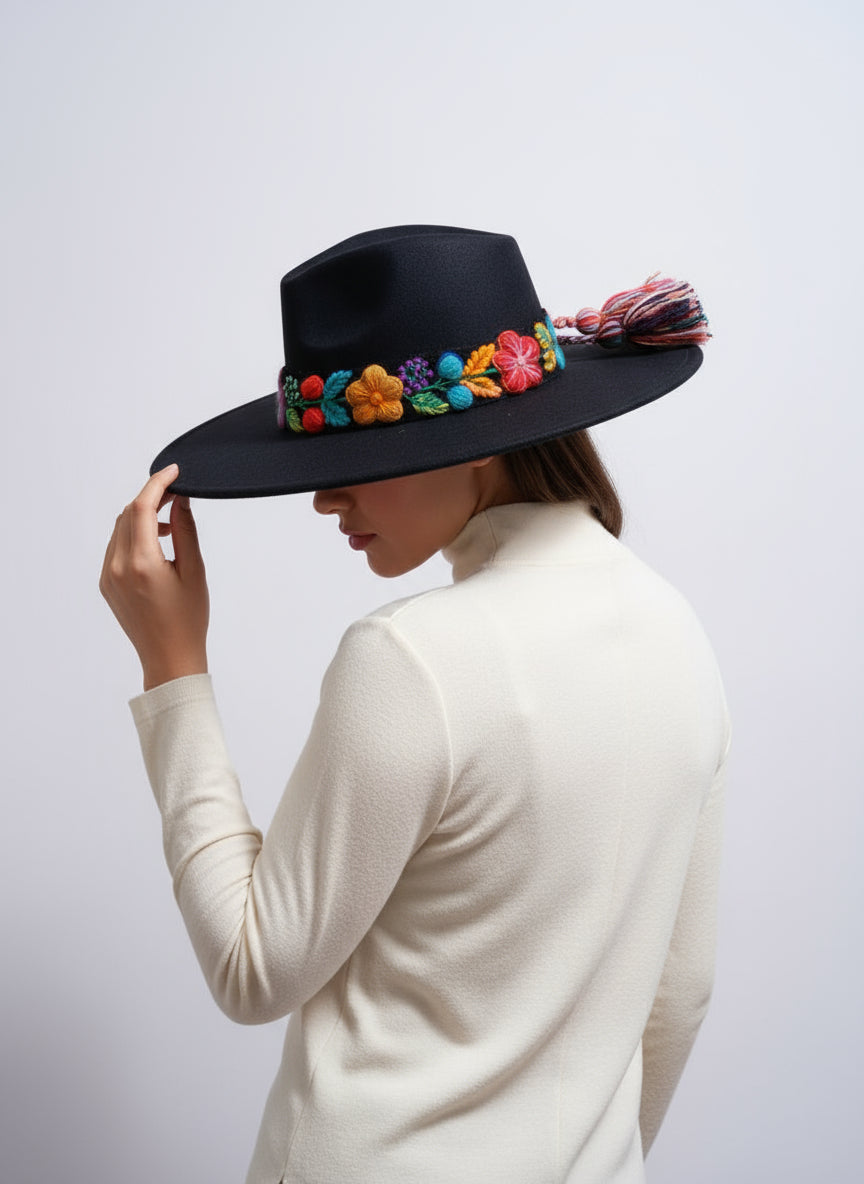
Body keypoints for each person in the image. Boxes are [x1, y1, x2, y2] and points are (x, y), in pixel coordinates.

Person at [101, 225, 729, 1183]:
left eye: (360, 451)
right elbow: (680, 993)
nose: (323, 501)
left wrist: (172, 666)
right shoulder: (677, 633)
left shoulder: (411, 659)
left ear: (467, 443)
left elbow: (252, 969)